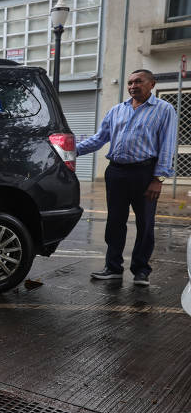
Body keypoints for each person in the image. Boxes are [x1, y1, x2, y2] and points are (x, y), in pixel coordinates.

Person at [76, 69, 178, 287]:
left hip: (145, 174)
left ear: (152, 84)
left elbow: (168, 145)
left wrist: (158, 179)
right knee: (114, 222)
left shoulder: (164, 110)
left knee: (145, 223)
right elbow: (99, 139)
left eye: (138, 82)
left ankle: (141, 270)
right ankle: (113, 268)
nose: (133, 86)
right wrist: (70, 151)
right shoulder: (117, 110)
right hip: (116, 173)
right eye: (130, 82)